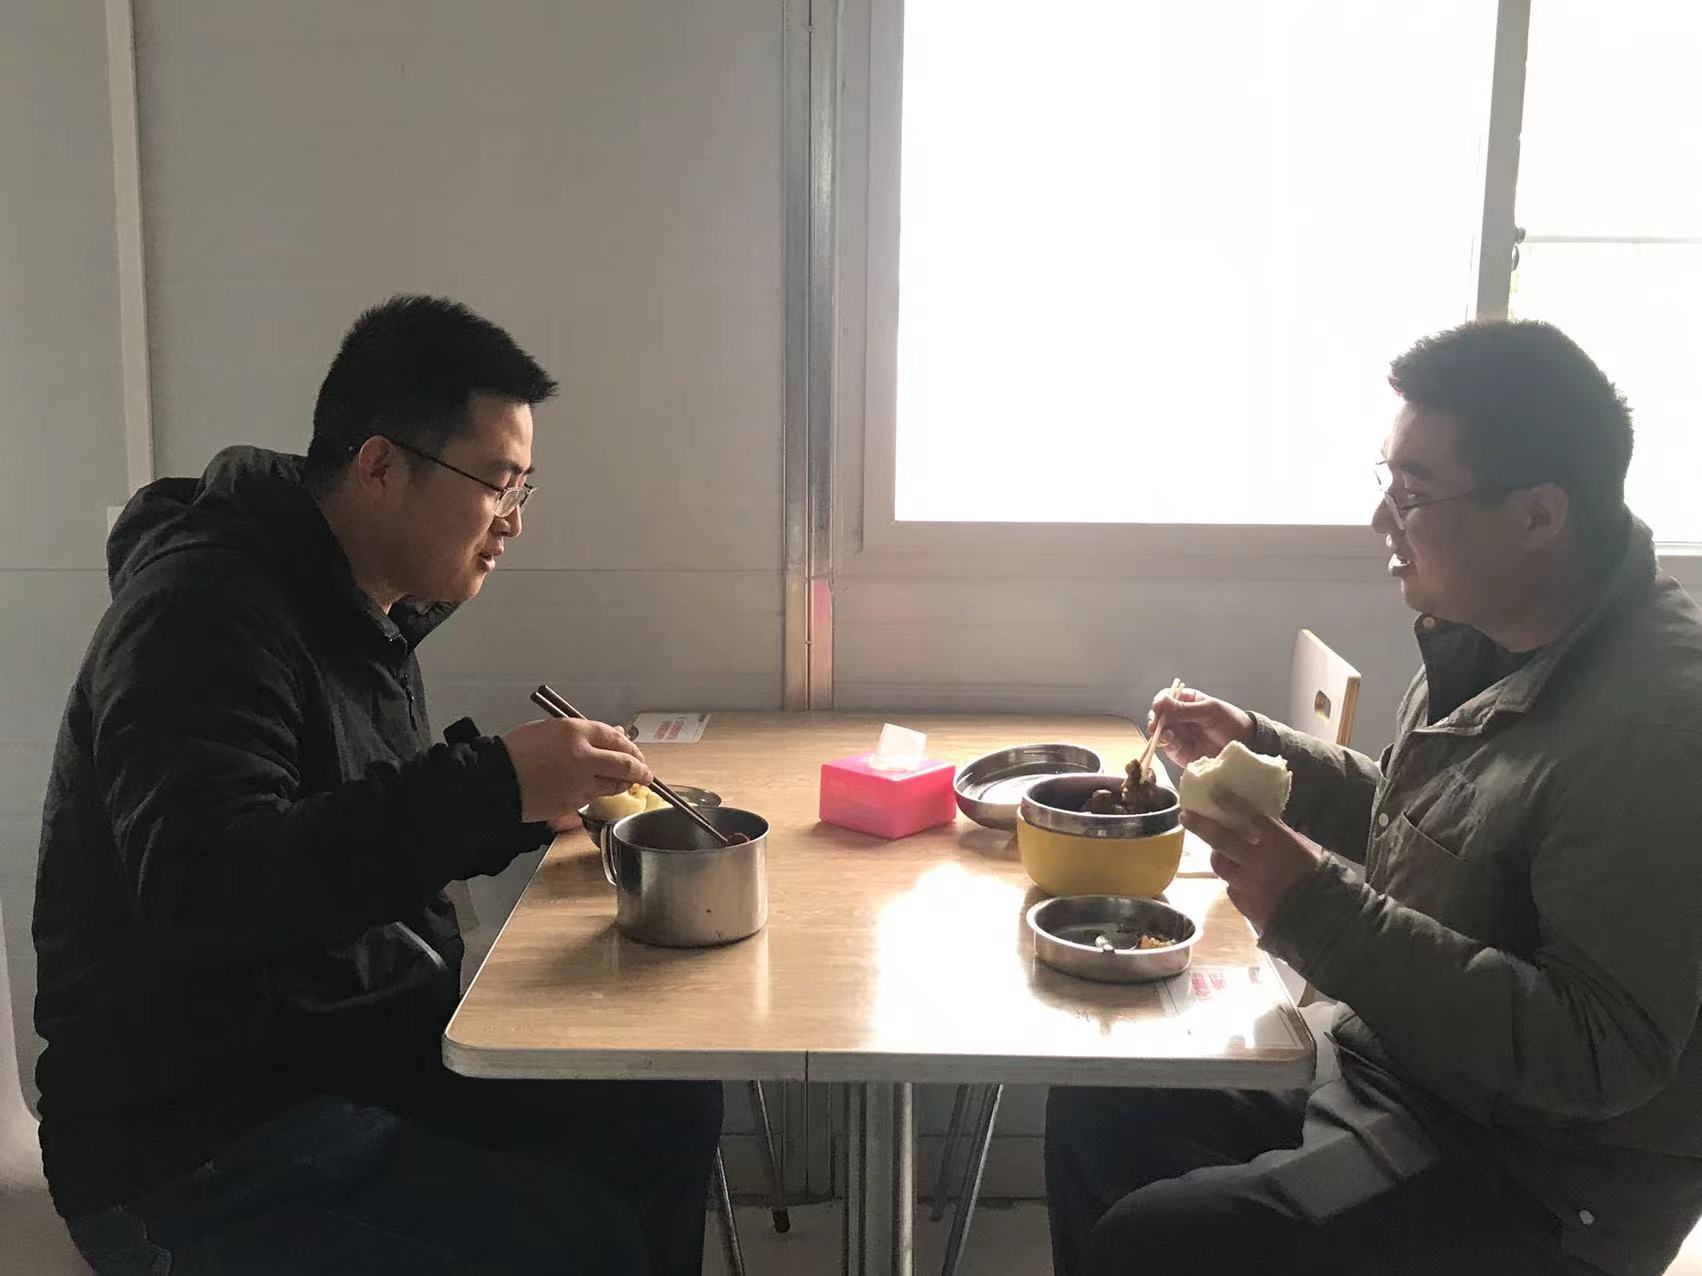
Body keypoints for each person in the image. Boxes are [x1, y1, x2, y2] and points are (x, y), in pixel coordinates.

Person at [33, 295, 722, 1274]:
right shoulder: (200, 613)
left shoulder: (356, 606)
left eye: (524, 488)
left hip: (351, 1063)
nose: (514, 523)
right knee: (579, 1242)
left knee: (665, 1107)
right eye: (496, 485)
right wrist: (493, 787)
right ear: (382, 466)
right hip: (198, 1146)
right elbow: (211, 889)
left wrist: (521, 804)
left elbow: (346, 822)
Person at [1046, 319, 1702, 1275]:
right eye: (1385, 482)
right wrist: (1264, 753)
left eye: (1413, 493)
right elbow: (1431, 831)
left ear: (1537, 515)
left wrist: (1317, 909)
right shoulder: (1501, 633)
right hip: (1405, 1074)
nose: (1381, 523)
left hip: (1536, 1181)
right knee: (1100, 1100)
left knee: (1163, 1242)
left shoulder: (1658, 734)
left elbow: (1601, 1052)